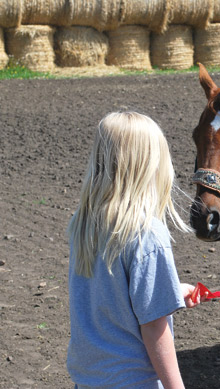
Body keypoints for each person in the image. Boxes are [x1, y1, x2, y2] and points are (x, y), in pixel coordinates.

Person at [67, 111, 207, 388]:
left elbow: (108, 294)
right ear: (150, 166)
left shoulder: (83, 223)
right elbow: (154, 326)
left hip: (88, 379)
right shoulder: (147, 234)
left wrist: (170, 290)